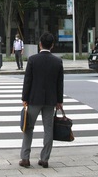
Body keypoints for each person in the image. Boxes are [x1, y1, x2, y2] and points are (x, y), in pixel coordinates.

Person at [19, 32, 64, 168]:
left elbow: (28, 81)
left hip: (34, 99)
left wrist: (24, 98)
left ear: (40, 44)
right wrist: (59, 101)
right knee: (48, 129)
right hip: (50, 100)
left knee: (28, 128)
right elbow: (59, 83)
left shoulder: (33, 60)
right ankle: (44, 159)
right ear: (52, 45)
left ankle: (25, 158)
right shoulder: (58, 61)